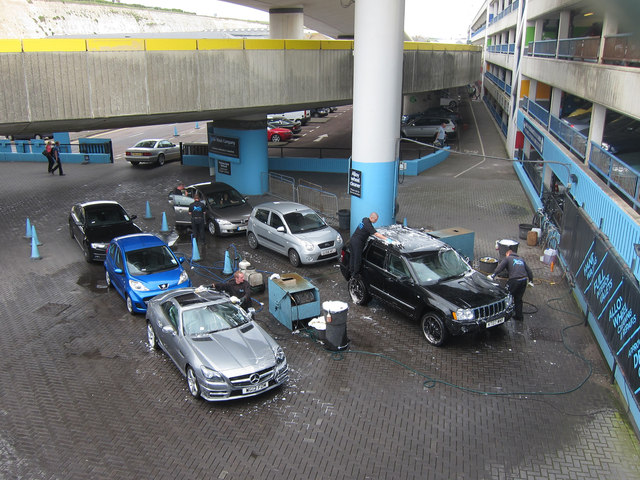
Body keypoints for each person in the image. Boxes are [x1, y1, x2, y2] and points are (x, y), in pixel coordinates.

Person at [490, 249, 533, 320]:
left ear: (508, 253)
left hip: (514, 280)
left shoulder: (508, 258)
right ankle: (519, 316)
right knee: (518, 299)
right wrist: (531, 281)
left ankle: (502, 314)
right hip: (524, 280)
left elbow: (500, 267)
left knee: (506, 295)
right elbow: (529, 271)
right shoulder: (521, 259)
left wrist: (493, 275)